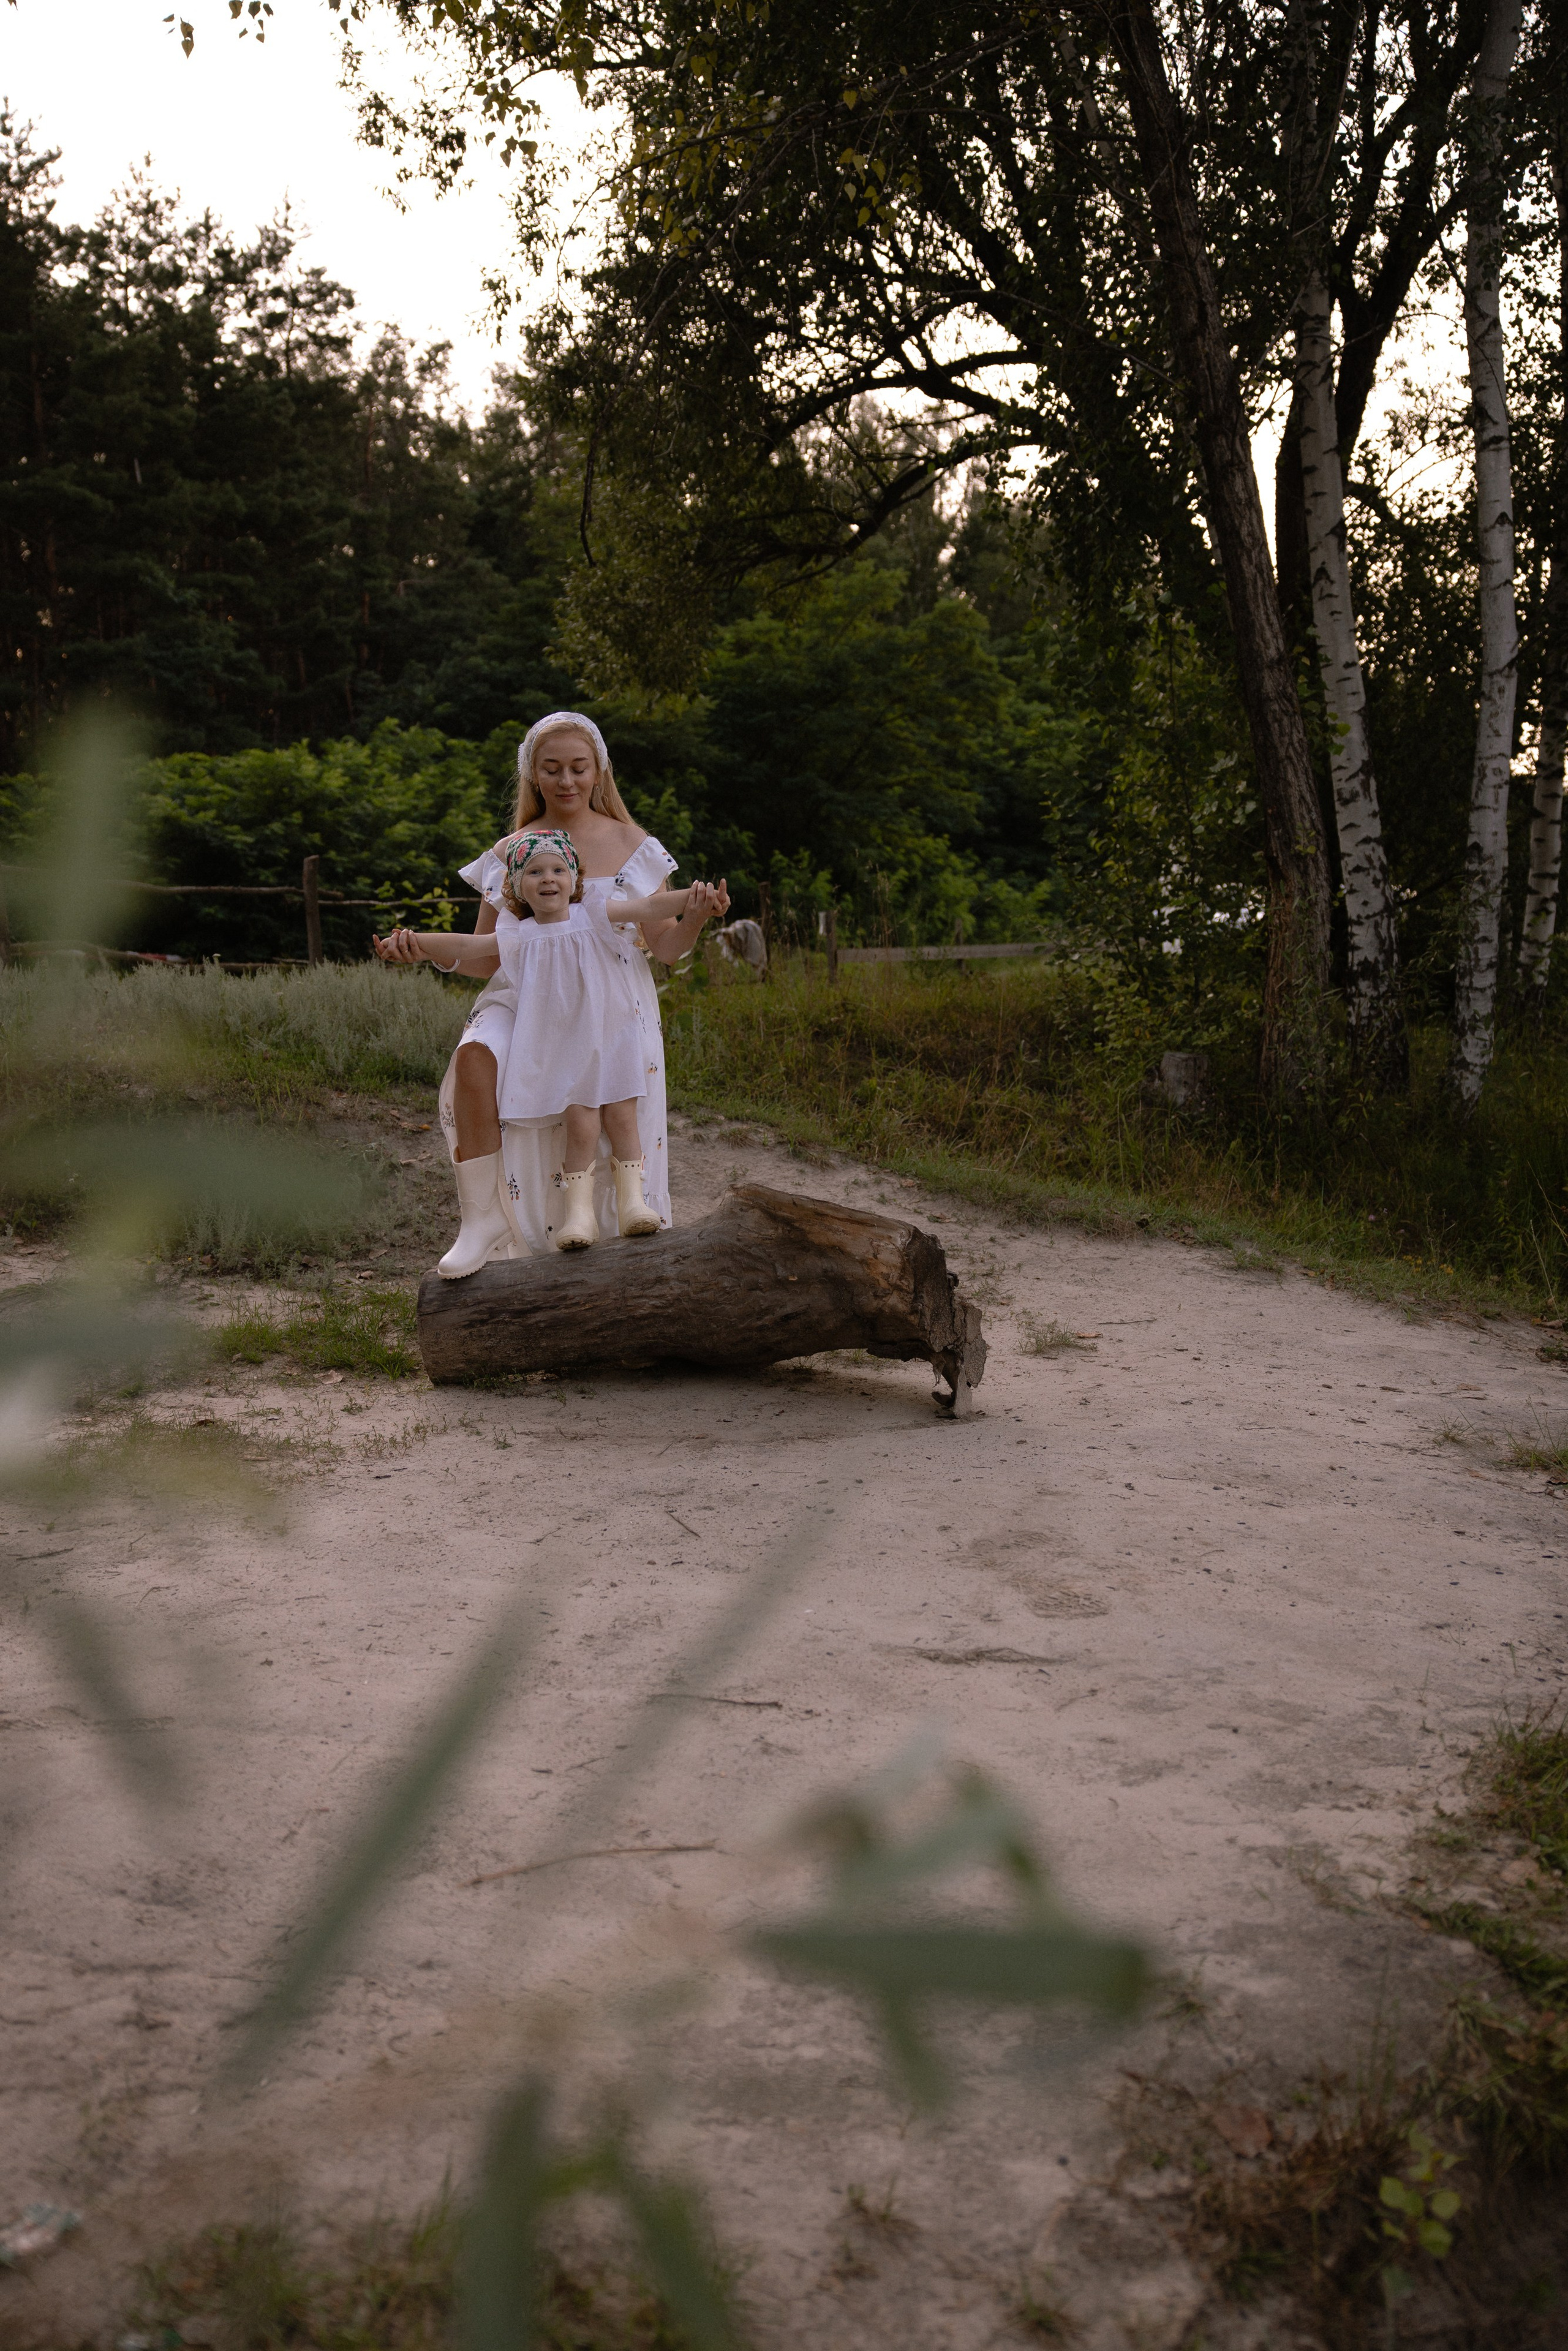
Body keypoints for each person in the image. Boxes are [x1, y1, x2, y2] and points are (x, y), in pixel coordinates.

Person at [374, 710, 726, 1257]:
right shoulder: (512, 851)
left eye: (579, 768)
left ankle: (616, 1241)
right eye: (553, 769)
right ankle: (483, 1221)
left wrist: (698, 914)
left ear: (599, 772)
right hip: (526, 992)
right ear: (533, 775)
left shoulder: (636, 845)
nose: (566, 781)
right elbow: (483, 956)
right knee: (474, 1054)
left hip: (612, 1000)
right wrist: (419, 948)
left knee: (612, 1118)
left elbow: (666, 947)